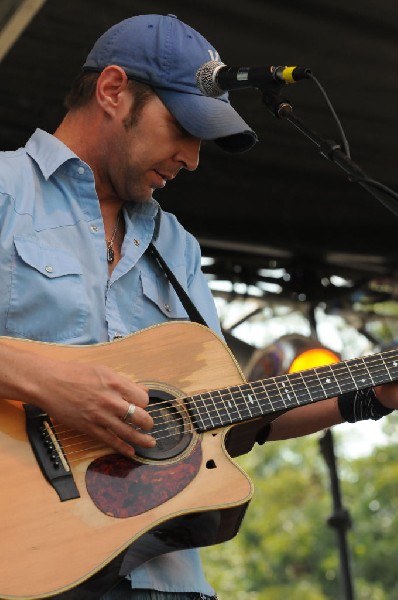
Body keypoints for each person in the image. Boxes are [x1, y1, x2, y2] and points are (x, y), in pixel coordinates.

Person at [0, 13, 397, 600]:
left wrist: (369, 396)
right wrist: (48, 383)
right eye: (182, 127)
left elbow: (223, 414)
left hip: (166, 580)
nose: (192, 157)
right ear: (113, 91)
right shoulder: (6, 191)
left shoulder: (175, 244)